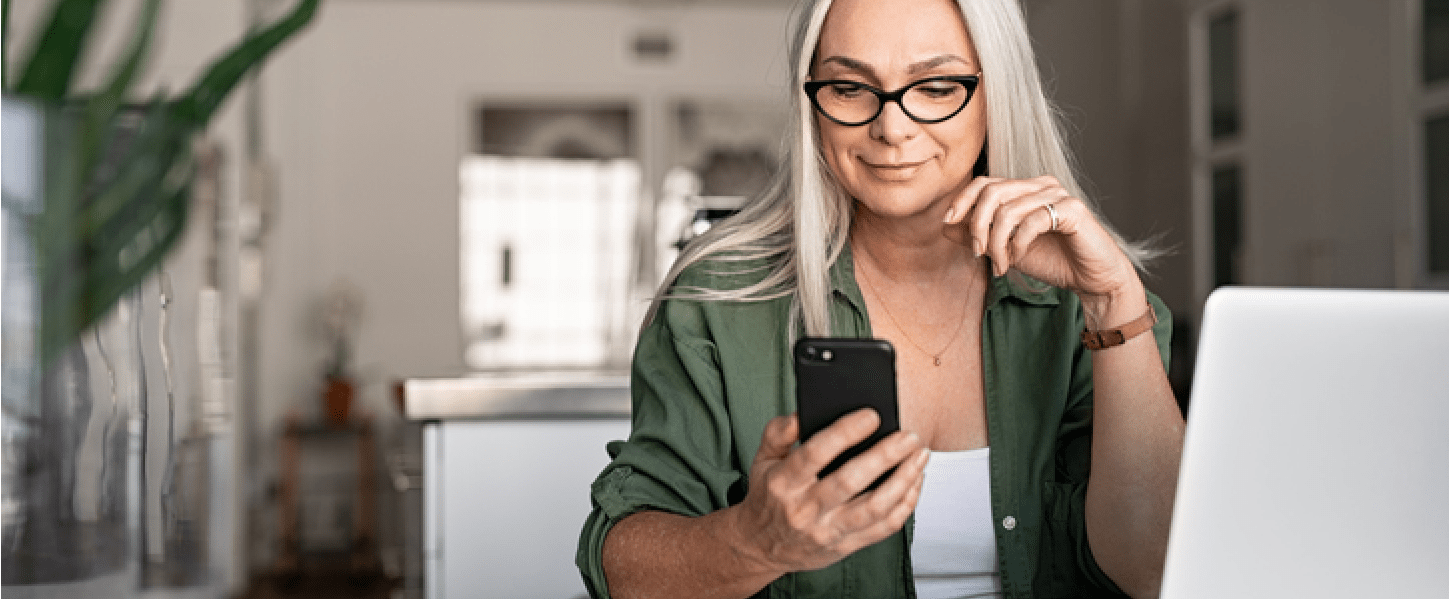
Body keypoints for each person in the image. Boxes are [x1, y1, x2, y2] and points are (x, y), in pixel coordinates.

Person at [576, 0, 1185, 597]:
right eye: (848, 88)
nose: (891, 128)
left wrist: (1112, 302)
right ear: (811, 103)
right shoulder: (717, 299)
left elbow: (1156, 571)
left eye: (937, 87)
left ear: (998, 95)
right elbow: (620, 569)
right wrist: (754, 542)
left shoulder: (1096, 307)